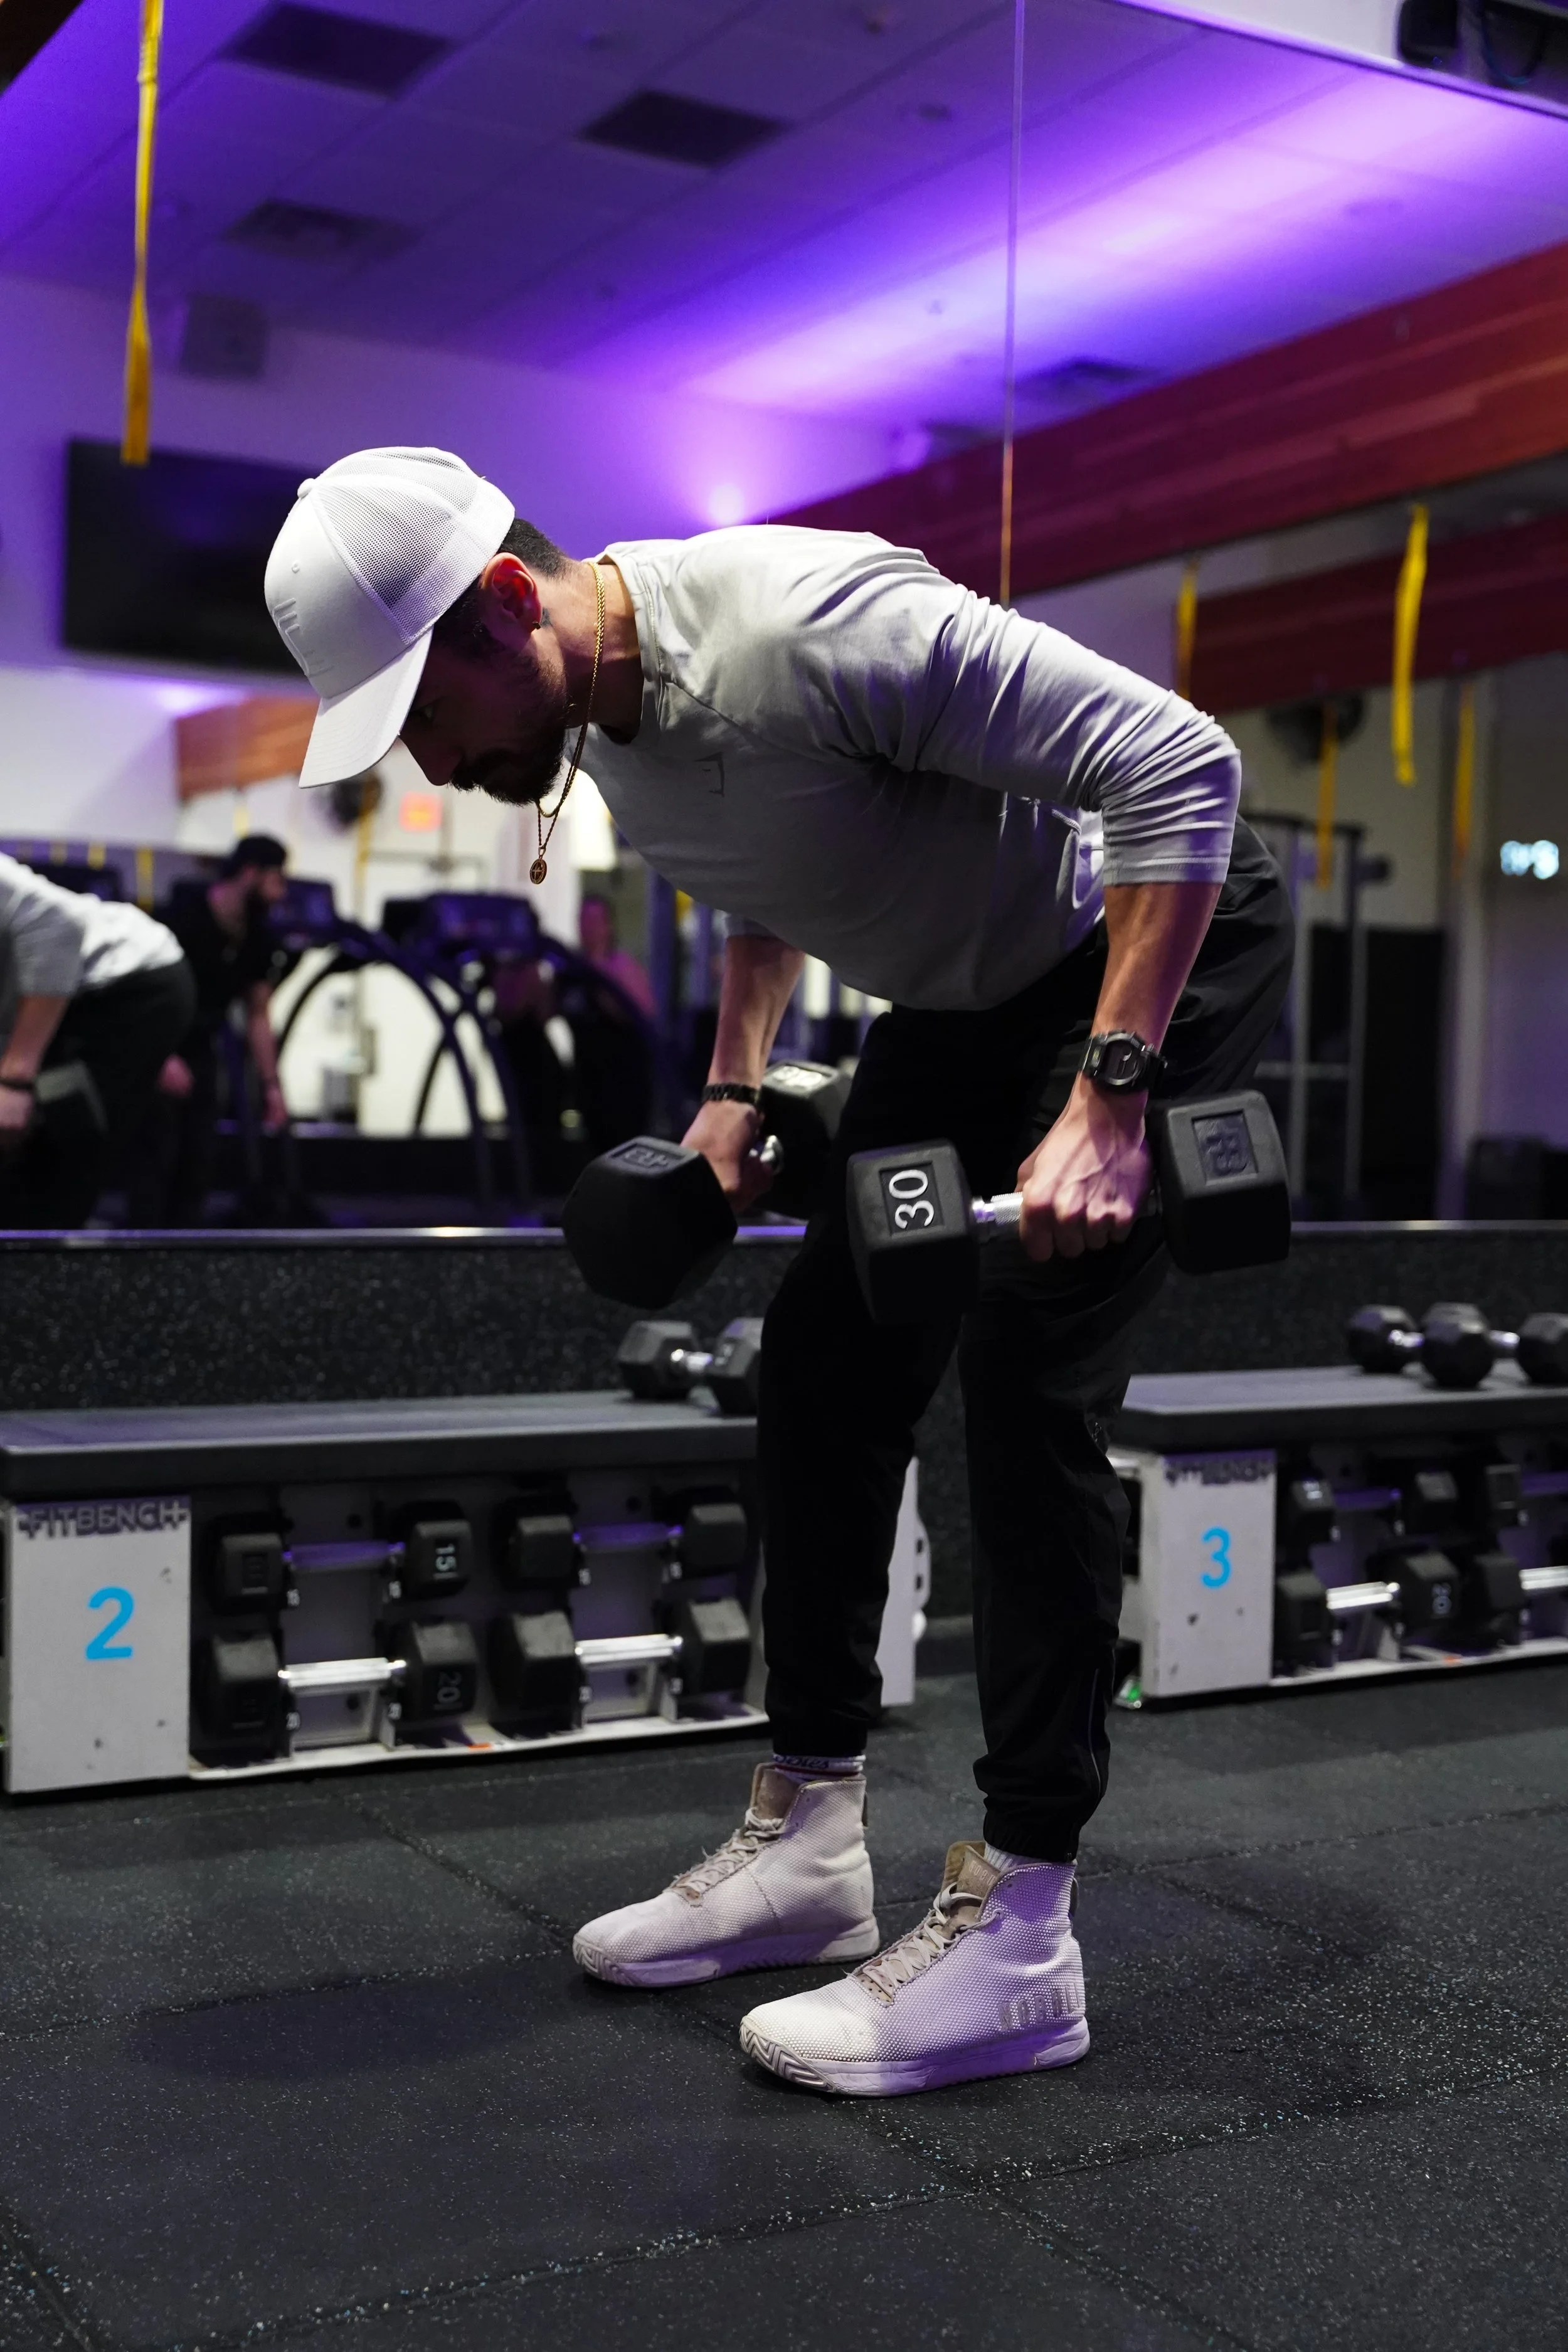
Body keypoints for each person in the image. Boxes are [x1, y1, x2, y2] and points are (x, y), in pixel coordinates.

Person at [265, 446, 1294, 2098]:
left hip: (1142, 941)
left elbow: (1180, 761)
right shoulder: (605, 721)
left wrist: (1111, 1100)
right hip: (959, 1001)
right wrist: (733, 1088)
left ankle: (1024, 1926)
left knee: (1026, 1370)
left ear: (509, 601)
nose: (432, 763)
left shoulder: (805, 624)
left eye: (426, 713)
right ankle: (809, 1839)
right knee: (820, 1362)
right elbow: (766, 871)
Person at [0, 852, 194, 1227]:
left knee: (52, 1154)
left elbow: (59, 926)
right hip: (75, 997)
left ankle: (48, 1261)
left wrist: (16, 1078)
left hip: (131, 984)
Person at [126, 835, 290, 1224]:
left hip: (201, 1049)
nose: (281, 892)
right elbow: (139, 995)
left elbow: (258, 1014)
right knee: (156, 1155)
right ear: (250, 872)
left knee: (199, 1160)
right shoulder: (181, 918)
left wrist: (271, 1086)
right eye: (276, 879)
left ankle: (185, 1252)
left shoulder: (258, 935)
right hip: (158, 1044)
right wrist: (160, 1058)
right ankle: (141, 1250)